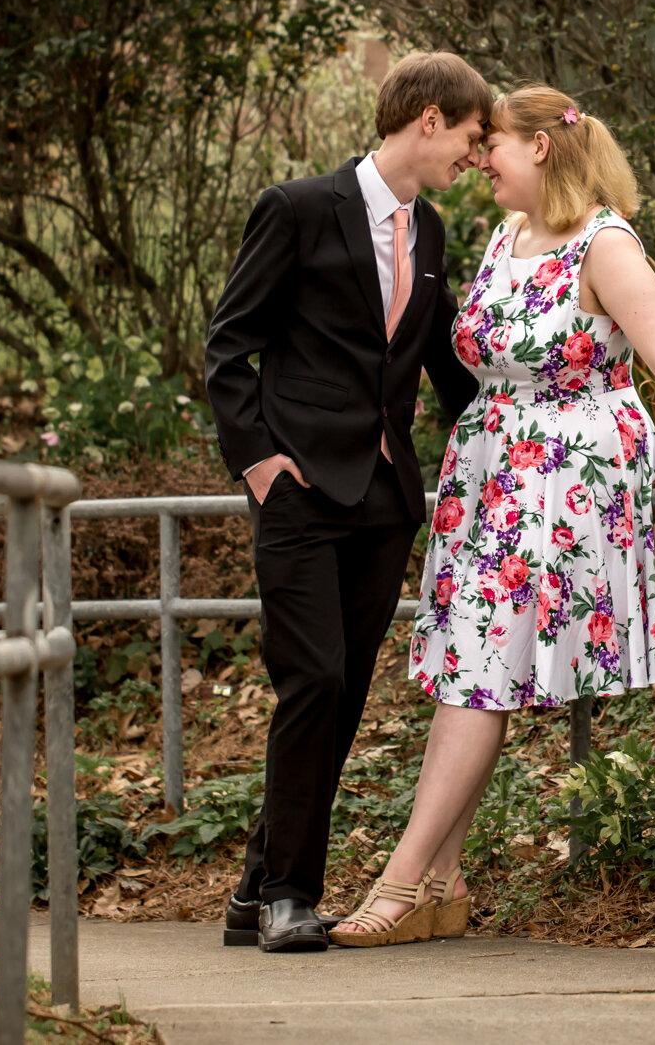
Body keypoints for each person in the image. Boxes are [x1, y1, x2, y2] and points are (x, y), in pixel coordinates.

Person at [328, 84, 655, 948]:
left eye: (497, 148)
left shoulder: (608, 243)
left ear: (545, 149)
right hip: (490, 472)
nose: (481, 161)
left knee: (481, 664)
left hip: (568, 475)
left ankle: (404, 879)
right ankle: (441, 880)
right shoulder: (504, 238)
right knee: (466, 664)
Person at [203, 51, 488, 952]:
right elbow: (227, 348)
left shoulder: (433, 232)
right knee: (313, 679)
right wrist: (258, 464)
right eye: (472, 139)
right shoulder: (295, 209)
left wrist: (527, 427)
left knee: (343, 690)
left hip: (382, 500)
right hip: (296, 492)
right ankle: (291, 894)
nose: (475, 158)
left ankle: (256, 887)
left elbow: (445, 368)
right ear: (429, 120)